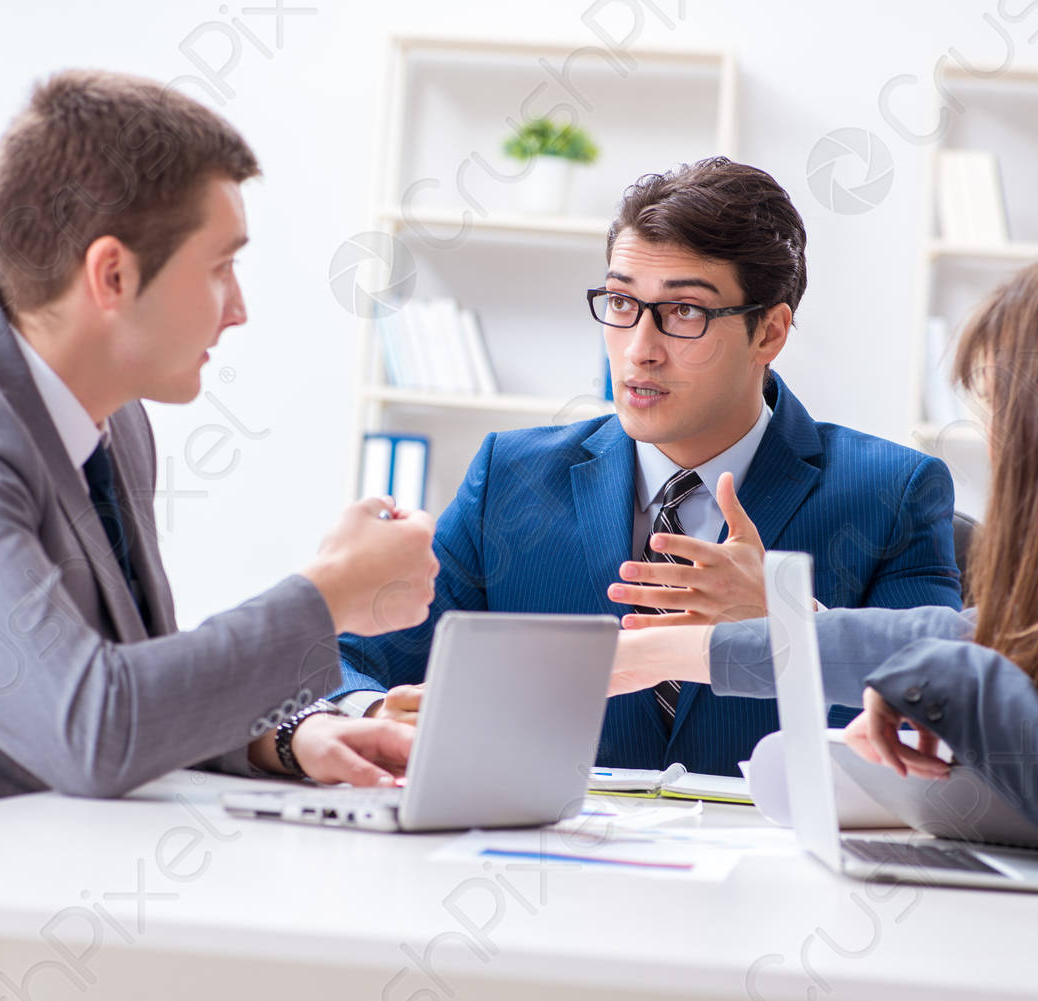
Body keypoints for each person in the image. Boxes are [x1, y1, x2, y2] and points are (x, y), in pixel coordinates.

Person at [611, 238, 1038, 1000]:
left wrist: (945, 680)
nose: (1003, 445)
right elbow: (953, 637)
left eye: (1006, 411)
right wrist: (680, 650)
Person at [0, 70, 441, 837]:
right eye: (222, 266)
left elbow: (127, 677)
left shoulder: (113, 418)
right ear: (113, 275)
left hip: (5, 877)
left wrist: (285, 737)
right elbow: (93, 728)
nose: (240, 308)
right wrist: (327, 593)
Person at [327, 158, 962, 776]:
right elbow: (346, 663)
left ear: (768, 333)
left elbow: (937, 725)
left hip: (780, 872)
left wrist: (791, 627)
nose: (639, 350)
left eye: (685, 311)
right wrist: (381, 713)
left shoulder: (893, 492)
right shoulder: (510, 477)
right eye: (621, 302)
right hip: (548, 853)